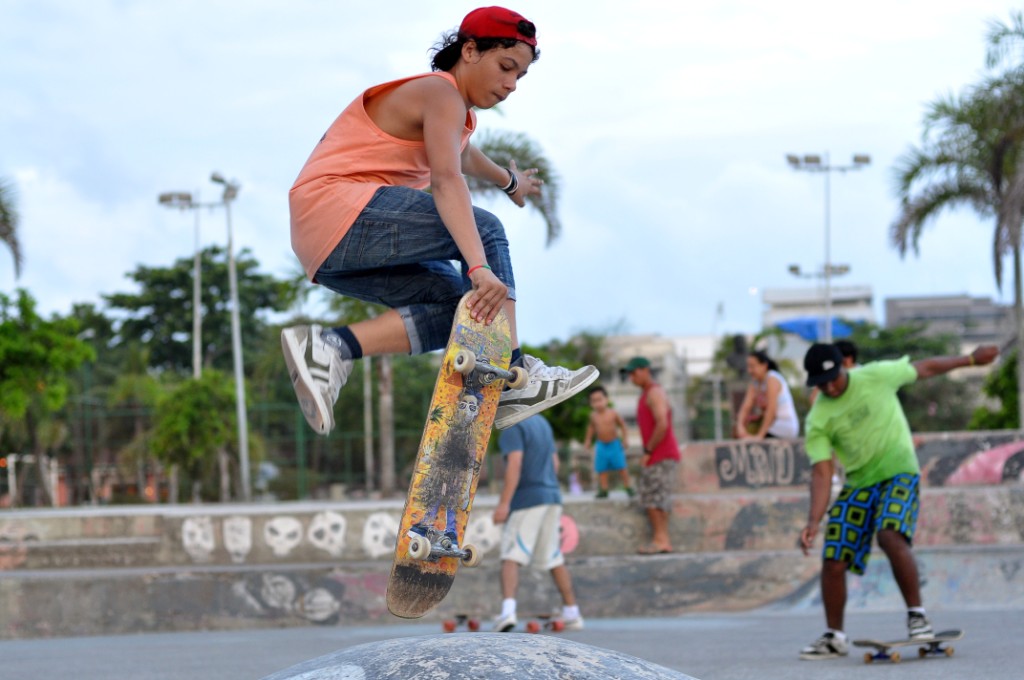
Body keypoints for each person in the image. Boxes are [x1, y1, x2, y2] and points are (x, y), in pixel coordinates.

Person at [280, 6, 598, 436]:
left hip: (325, 244)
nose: (511, 85)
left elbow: (464, 155)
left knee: (460, 311)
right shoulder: (440, 92)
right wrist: (479, 267)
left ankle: (331, 348)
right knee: (485, 232)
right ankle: (512, 371)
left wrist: (510, 182)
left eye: (520, 77)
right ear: (469, 50)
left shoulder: (449, 111)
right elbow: (448, 179)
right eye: (506, 67)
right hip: (340, 207)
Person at [797, 342, 999, 660]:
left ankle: (917, 616)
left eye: (833, 378)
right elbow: (822, 473)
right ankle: (834, 636)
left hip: (899, 473)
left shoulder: (876, 375)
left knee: (890, 533)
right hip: (860, 483)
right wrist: (813, 521)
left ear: (844, 367)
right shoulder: (818, 417)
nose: (830, 387)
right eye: (821, 384)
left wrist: (970, 359)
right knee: (834, 555)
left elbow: (926, 367)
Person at [492, 414, 583, 632]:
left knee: (511, 555)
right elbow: (555, 462)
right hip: (551, 496)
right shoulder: (542, 422)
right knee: (553, 557)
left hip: (527, 500)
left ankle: (507, 612)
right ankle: (572, 612)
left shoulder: (513, 425)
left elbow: (515, 463)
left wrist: (504, 503)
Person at [625, 357, 681, 554]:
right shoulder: (647, 393)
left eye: (634, 372)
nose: (631, 377)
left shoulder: (654, 392)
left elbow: (662, 423)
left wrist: (648, 451)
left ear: (645, 370)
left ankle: (661, 539)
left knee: (652, 498)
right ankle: (661, 539)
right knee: (654, 497)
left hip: (660, 454)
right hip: (659, 454)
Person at [733, 350, 799, 440]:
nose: (749, 370)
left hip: (784, 426)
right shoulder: (755, 383)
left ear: (764, 365)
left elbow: (772, 409)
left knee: (749, 441)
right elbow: (745, 407)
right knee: (739, 435)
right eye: (748, 366)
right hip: (769, 427)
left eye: (752, 366)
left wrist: (760, 435)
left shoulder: (772, 378)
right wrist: (740, 426)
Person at [582, 386, 634, 498]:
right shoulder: (593, 416)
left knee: (622, 466)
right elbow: (590, 429)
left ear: (606, 399)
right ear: (591, 403)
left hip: (614, 444)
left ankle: (628, 486)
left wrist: (625, 439)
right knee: (602, 468)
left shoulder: (613, 413)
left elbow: (623, 426)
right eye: (594, 401)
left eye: (600, 399)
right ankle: (604, 489)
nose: (598, 403)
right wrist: (588, 440)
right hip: (601, 445)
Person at [809, 340, 858, 405]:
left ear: (848, 359)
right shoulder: (832, 374)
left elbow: (813, 399)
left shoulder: (859, 375)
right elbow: (813, 399)